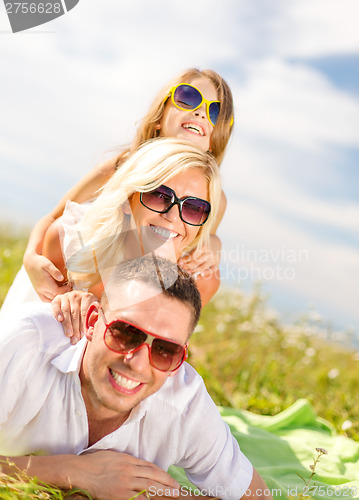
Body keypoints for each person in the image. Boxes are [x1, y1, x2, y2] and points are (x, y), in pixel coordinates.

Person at [0, 256, 271, 500]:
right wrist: (71, 472)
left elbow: (257, 498)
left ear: (180, 361)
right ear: (93, 323)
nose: (138, 363)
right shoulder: (22, 343)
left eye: (166, 350)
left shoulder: (185, 406)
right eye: (126, 333)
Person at [20, 67, 234, 302]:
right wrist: (31, 257)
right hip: (79, 278)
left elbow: (199, 236)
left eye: (215, 112)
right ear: (158, 119)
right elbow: (55, 217)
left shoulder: (211, 198)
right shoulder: (121, 166)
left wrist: (215, 243)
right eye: (188, 98)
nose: (201, 113)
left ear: (215, 139)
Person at [0, 138, 221, 340]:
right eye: (159, 195)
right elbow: (31, 340)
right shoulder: (68, 241)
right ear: (128, 198)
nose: (172, 216)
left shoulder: (199, 280)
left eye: (194, 208)